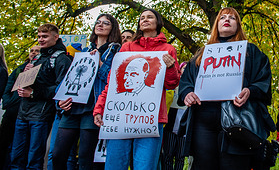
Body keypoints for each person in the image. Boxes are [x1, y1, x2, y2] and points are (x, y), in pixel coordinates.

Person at [178, 7, 274, 170]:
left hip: (238, 119)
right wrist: (187, 93)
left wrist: (250, 91)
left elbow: (263, 80)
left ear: (238, 25)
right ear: (217, 24)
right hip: (204, 120)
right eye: (222, 17)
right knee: (204, 165)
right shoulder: (203, 54)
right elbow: (187, 81)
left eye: (232, 18)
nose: (227, 20)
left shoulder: (250, 52)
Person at [93, 9, 180, 170]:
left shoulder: (168, 49)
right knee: (115, 164)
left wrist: (170, 68)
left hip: (151, 118)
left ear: (158, 22)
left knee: (145, 166)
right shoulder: (127, 47)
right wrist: (100, 107)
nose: (145, 19)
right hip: (120, 116)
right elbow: (113, 82)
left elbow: (171, 84)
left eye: (150, 17)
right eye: (142, 18)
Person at [52, 14, 122, 170]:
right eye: (98, 22)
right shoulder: (84, 50)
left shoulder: (116, 52)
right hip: (73, 107)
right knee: (57, 154)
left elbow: (112, 79)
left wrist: (99, 61)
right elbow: (68, 79)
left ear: (113, 28)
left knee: (85, 156)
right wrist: (60, 101)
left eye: (106, 23)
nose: (100, 25)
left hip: (92, 108)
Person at [10, 24, 72, 170]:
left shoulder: (62, 59)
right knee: (16, 157)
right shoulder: (36, 57)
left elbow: (60, 89)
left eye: (45, 36)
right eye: (39, 37)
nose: (40, 40)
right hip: (23, 113)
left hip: (41, 115)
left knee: (34, 159)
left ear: (56, 37)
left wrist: (33, 93)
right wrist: (25, 76)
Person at [0, 45, 40, 169]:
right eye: (31, 50)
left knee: (22, 146)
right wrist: (8, 102)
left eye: (37, 51)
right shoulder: (19, 69)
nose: (33, 53)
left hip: (30, 114)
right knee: (3, 142)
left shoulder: (43, 69)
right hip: (11, 111)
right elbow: (8, 87)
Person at [161, 62, 187, 170]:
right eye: (184, 68)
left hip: (184, 125)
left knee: (181, 156)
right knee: (168, 154)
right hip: (170, 122)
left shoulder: (192, 85)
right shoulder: (173, 82)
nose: (185, 70)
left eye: (187, 68)